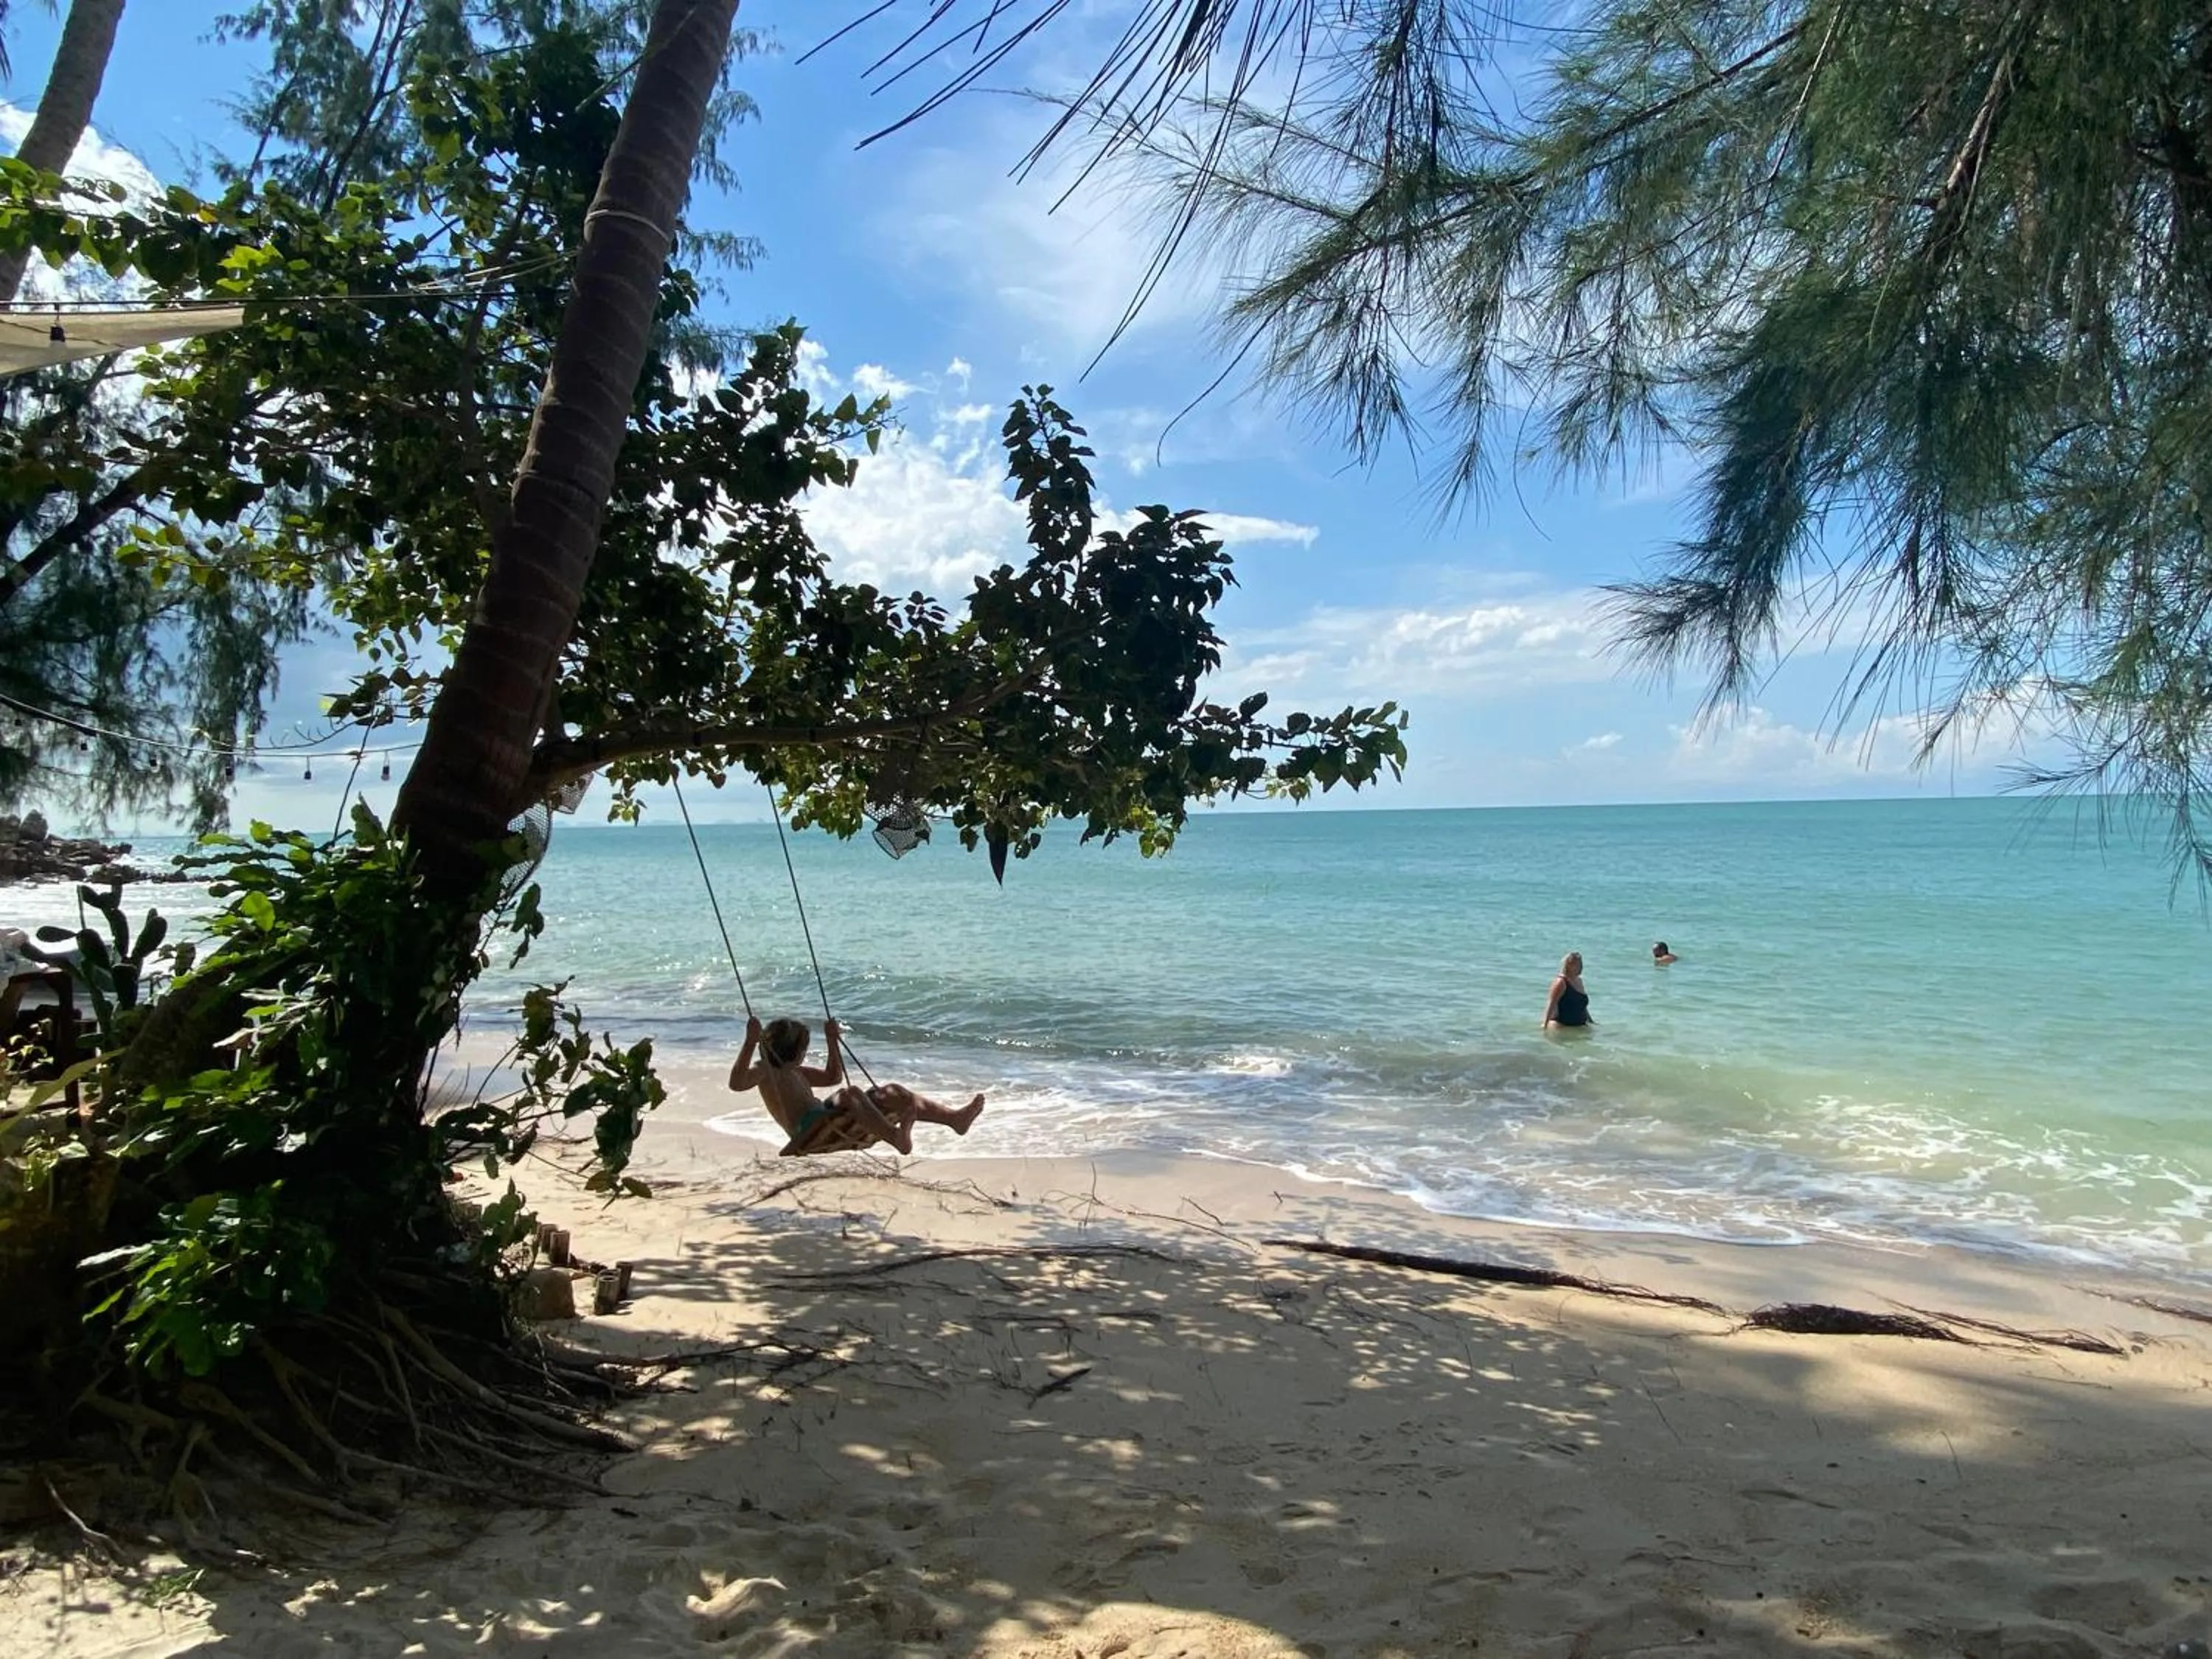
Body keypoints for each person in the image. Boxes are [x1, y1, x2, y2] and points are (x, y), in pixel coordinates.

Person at [728, 1014, 984, 1157]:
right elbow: (737, 1084)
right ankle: (896, 1137)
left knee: (892, 1092)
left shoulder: (796, 1071)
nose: (805, 1054)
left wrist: (832, 1041)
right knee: (849, 1094)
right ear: (794, 1051)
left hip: (824, 1118)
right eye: (804, 1049)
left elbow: (832, 1077)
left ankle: (954, 1119)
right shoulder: (765, 1071)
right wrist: (750, 1043)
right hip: (806, 1132)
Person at [1543, 951, 1593, 1029]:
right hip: (1562, 1025)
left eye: (1581, 964)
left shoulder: (1579, 981)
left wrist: (1591, 1021)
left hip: (1579, 1026)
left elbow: (1582, 1005)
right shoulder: (1561, 982)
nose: (1581, 967)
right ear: (1569, 965)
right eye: (1577, 965)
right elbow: (1551, 1003)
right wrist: (1545, 1025)